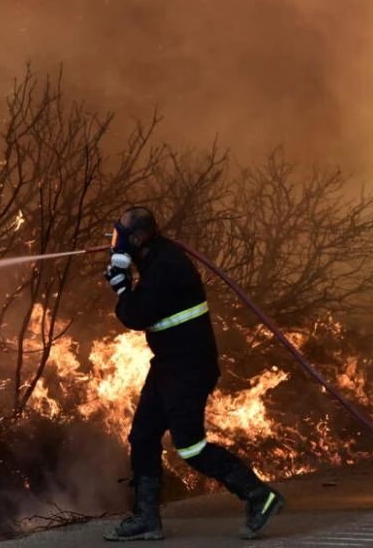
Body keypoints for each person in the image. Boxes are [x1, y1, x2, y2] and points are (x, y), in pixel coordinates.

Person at [101, 206, 284, 541]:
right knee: (143, 436)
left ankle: (260, 496)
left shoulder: (166, 267)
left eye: (121, 238)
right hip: (169, 364)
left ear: (138, 238)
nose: (117, 244)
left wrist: (123, 289)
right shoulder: (156, 258)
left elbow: (137, 315)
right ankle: (146, 518)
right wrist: (126, 276)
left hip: (189, 368)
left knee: (189, 446)